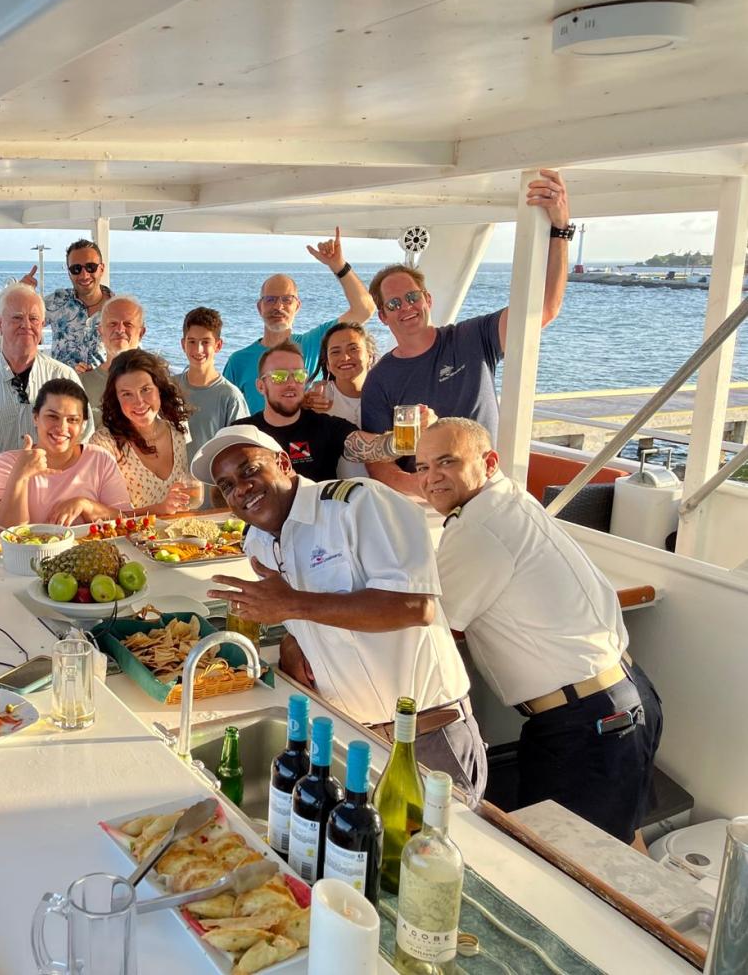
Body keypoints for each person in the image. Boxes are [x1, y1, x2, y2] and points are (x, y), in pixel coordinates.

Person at [195, 425, 486, 799]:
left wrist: (292, 605)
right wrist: (292, 639)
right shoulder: (259, 541)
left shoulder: (359, 504)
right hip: (350, 739)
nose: (240, 489)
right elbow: (313, 612)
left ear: (284, 463)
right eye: (226, 485)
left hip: (426, 738)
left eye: (249, 470)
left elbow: (416, 606)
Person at [416, 418, 663, 841]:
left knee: (570, 868)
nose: (431, 477)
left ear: (489, 462)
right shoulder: (509, 500)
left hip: (588, 726)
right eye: (421, 467)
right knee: (619, 848)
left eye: (447, 462)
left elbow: (424, 623)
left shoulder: (476, 529)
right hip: (625, 699)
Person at [361, 169, 574, 495]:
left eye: (412, 297)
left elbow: (543, 309)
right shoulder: (380, 379)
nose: (406, 307)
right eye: (394, 304)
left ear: (427, 299)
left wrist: (560, 229)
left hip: (488, 488)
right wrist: (427, 491)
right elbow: (379, 466)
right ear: (382, 316)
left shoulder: (473, 337)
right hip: (426, 504)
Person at [222, 228, 374, 413]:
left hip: (304, 441)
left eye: (287, 299)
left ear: (298, 306)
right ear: (259, 307)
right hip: (256, 440)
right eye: (270, 299)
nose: (279, 306)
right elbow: (225, 412)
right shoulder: (238, 361)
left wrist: (338, 266)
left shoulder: (312, 344)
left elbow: (364, 309)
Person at [235, 341, 400, 482]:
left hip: (320, 516)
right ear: (260, 386)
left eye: (299, 375)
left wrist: (410, 435)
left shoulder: (326, 426)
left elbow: (372, 448)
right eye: (279, 376)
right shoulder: (241, 433)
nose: (291, 383)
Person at [0, 283, 83, 464]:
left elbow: (82, 439)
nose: (26, 325)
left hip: (51, 486)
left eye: (33, 319)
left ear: (42, 325)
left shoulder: (65, 377)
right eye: (17, 317)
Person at [0, 379, 132, 527]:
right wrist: (19, 476)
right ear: (36, 418)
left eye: (72, 420)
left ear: (83, 425)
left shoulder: (100, 459)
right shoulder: (7, 463)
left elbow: (124, 521)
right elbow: (3, 533)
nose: (62, 427)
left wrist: (86, 505)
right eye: (52, 416)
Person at [89, 349, 199, 515]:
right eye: (127, 394)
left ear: (160, 389)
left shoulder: (178, 432)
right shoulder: (103, 443)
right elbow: (100, 513)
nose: (139, 402)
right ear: (116, 399)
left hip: (176, 538)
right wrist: (159, 509)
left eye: (145, 389)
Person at [22, 237, 113, 368]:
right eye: (76, 269)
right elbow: (17, 320)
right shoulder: (57, 301)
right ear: (69, 272)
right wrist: (21, 292)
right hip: (62, 386)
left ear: (102, 269)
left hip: (104, 386)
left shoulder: (117, 309)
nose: (84, 275)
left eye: (91, 267)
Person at [173, 307, 249, 463]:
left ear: (218, 345)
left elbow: (241, 449)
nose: (198, 349)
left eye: (205, 342)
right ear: (183, 344)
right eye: (191, 341)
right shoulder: (170, 388)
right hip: (174, 484)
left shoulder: (231, 397)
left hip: (212, 484)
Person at [308, 321, 380, 478]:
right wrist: (301, 404)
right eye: (335, 352)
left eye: (353, 349)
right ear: (327, 364)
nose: (345, 357)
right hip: (336, 495)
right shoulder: (318, 399)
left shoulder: (387, 394)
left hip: (383, 492)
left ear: (370, 356)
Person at [78, 294, 146, 427]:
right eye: (112, 324)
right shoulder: (82, 384)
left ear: (141, 333)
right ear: (101, 332)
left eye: (128, 324)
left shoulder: (157, 381)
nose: (120, 329)